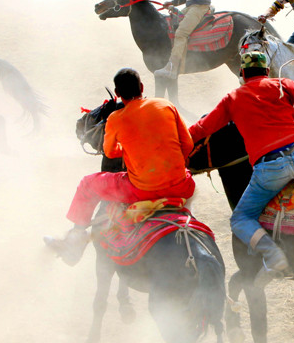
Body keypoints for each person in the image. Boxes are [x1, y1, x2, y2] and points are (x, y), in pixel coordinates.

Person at [188, 51, 294, 286]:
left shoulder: (233, 98)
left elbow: (199, 131)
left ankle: (274, 255)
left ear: (242, 74)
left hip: (272, 169)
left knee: (240, 219)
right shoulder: (283, 84)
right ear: (267, 71)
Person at [44, 68, 195, 265]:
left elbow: (110, 152)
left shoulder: (115, 119)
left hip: (142, 190)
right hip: (182, 185)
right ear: (142, 87)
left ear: (117, 93)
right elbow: (189, 144)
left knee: (87, 184)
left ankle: (75, 241)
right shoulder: (165, 104)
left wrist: (131, 149)